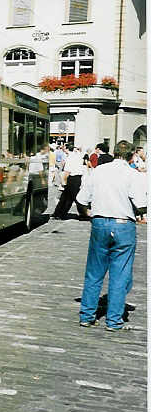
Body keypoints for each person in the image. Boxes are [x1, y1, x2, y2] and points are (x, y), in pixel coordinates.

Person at [76, 140, 147, 331]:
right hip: (123, 224)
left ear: (114, 153)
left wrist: (88, 213)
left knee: (94, 272)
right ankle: (114, 320)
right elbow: (141, 205)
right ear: (132, 155)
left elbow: (81, 199)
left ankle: (87, 315)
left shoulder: (98, 171)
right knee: (120, 274)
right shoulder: (133, 175)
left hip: (100, 222)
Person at [53, 145, 88, 220]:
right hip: (77, 178)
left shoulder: (69, 158)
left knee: (75, 198)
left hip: (72, 178)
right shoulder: (77, 156)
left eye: (64, 148)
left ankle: (84, 213)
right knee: (66, 197)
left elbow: (67, 172)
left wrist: (64, 182)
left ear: (67, 149)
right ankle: (59, 213)